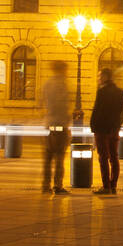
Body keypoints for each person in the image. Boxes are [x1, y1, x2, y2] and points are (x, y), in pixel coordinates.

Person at [89, 67, 123, 196]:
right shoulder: (121, 92)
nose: (98, 79)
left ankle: (106, 186)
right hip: (114, 130)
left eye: (100, 76)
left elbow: (97, 110)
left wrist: (93, 125)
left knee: (103, 158)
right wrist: (117, 125)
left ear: (106, 77)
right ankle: (113, 185)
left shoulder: (101, 92)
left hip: (101, 129)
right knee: (114, 157)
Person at [41, 60, 71, 194]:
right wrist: (68, 119)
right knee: (59, 157)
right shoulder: (62, 84)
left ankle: (45, 185)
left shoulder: (47, 84)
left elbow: (41, 103)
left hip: (48, 125)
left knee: (47, 158)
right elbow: (63, 105)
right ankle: (58, 185)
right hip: (60, 125)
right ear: (62, 69)